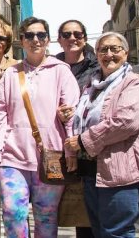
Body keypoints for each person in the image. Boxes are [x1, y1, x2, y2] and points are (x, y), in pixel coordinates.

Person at [0, 16, 80, 238]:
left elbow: (73, 112)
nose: (35, 39)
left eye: (41, 35)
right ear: (22, 40)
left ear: (48, 40)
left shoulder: (61, 71)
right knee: (13, 213)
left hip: (52, 157)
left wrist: (71, 150)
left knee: (46, 216)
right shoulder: (11, 74)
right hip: (12, 158)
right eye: (29, 35)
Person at [63, 32, 139, 238]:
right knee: (99, 231)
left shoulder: (133, 82)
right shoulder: (91, 86)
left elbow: (126, 121)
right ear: (96, 54)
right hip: (92, 170)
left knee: (116, 232)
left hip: (123, 170)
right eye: (103, 49)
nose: (109, 54)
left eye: (115, 49)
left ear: (126, 53)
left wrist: (82, 140)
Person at [54, 20, 99, 238]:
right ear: (59, 39)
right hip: (55, 147)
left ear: (85, 37)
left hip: (86, 148)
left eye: (78, 34)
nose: (73, 38)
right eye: (67, 34)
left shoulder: (98, 68)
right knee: (50, 210)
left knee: (85, 215)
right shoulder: (50, 67)